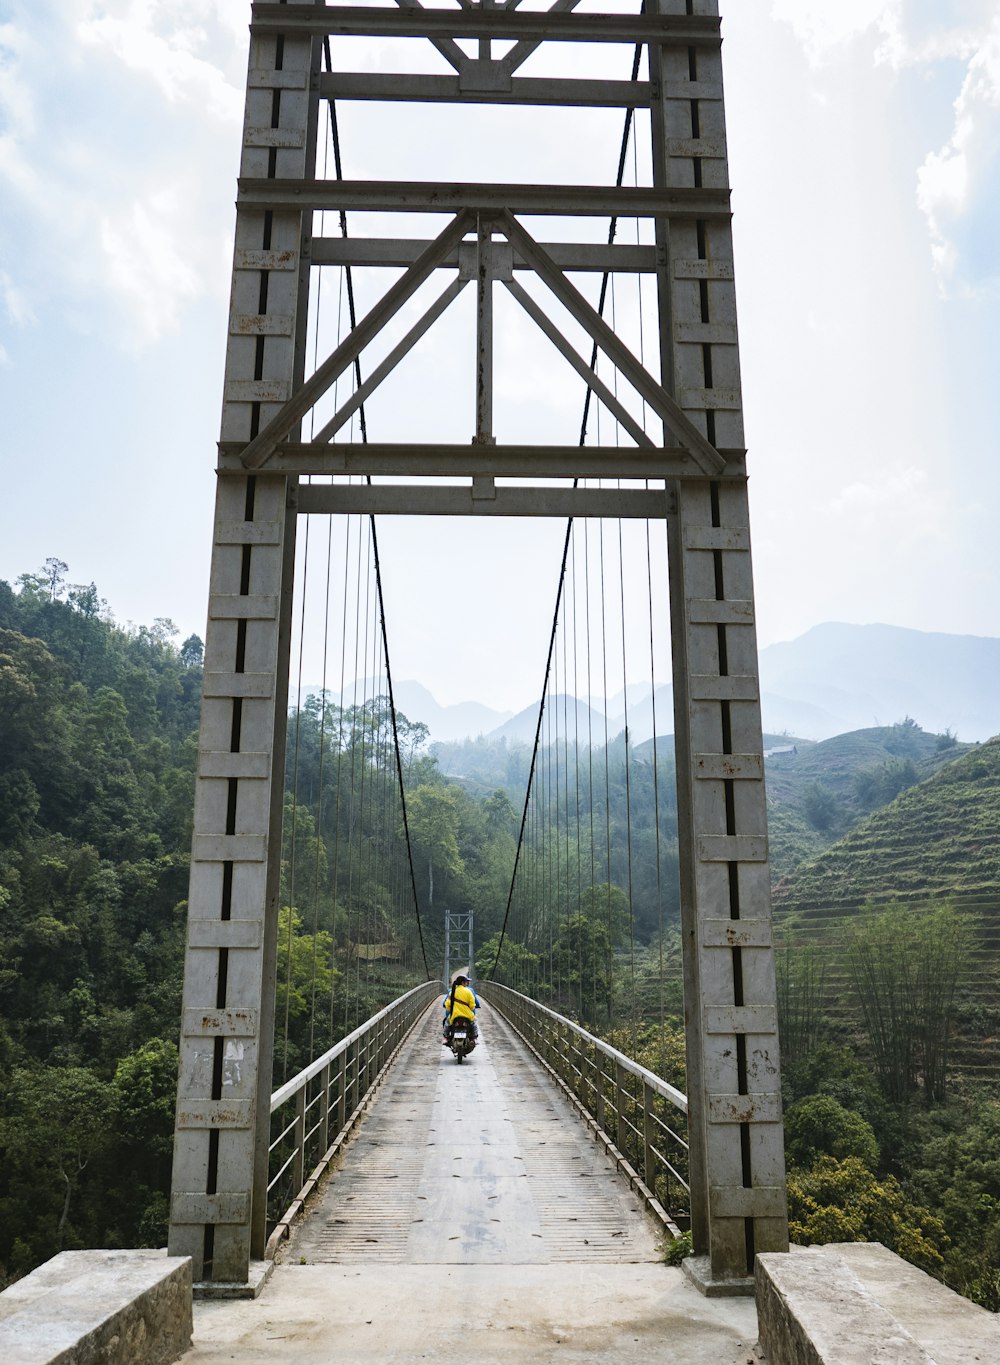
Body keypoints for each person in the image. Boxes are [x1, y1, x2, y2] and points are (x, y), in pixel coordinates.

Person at [441, 974, 480, 1045]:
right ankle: (474, 1038)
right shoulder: (468, 992)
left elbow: (447, 1005)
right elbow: (472, 1006)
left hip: (455, 1016)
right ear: (462, 983)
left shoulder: (452, 992)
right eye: (466, 982)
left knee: (447, 1022)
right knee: (474, 1023)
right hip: (467, 1016)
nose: (467, 983)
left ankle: (446, 1037)